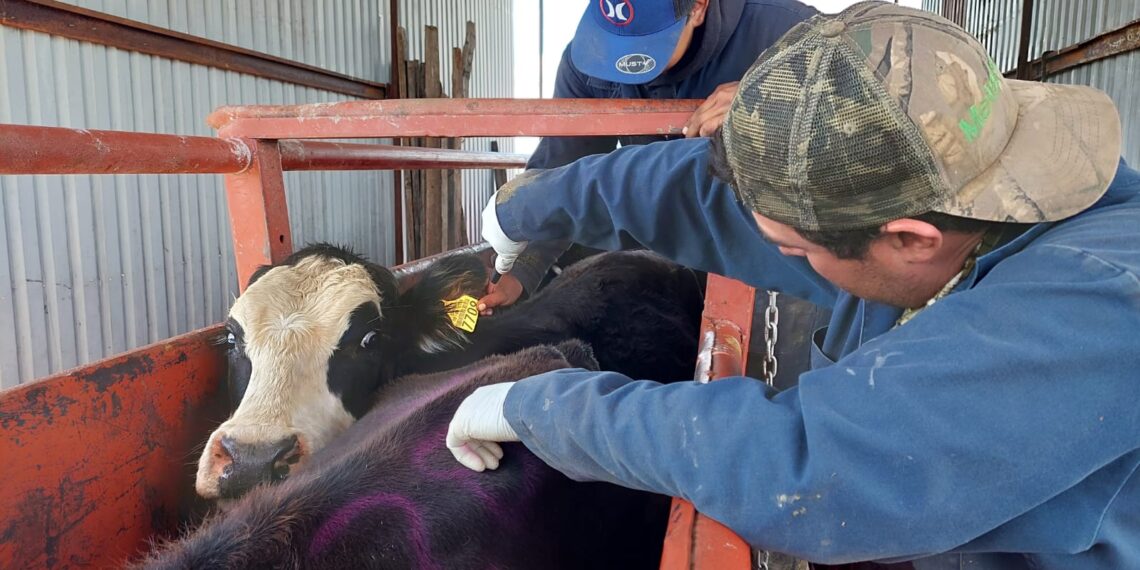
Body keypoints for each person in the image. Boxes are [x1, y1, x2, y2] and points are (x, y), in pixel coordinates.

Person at [447, 2, 1140, 568]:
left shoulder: (1097, 309)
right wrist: (530, 209)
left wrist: (545, 408)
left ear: (908, 240)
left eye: (794, 250)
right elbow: (709, 200)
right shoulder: (952, 192)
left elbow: (817, 469)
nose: (780, 257)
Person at [479, 0, 819, 312]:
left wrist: (777, 95)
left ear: (698, 8)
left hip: (776, 261)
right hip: (669, 248)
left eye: (644, 45)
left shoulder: (791, 33)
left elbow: (853, 106)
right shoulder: (592, 61)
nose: (620, 65)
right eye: (613, 41)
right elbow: (560, 167)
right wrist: (520, 270)